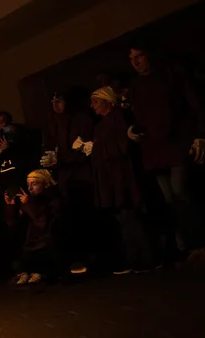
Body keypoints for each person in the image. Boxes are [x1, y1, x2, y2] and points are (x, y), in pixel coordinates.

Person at [127, 43, 205, 258]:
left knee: (180, 191)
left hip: (176, 141)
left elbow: (194, 106)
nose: (136, 62)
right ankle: (188, 244)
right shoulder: (136, 86)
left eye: (139, 56)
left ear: (149, 55)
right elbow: (140, 117)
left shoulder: (171, 76)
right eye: (132, 58)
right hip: (154, 147)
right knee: (170, 197)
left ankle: (198, 242)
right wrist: (133, 131)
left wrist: (199, 135)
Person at [86, 86, 156, 273]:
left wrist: (99, 150)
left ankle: (145, 258)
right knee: (123, 218)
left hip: (121, 174)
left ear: (107, 101)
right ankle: (134, 258)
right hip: (109, 176)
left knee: (130, 215)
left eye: (96, 101)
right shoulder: (100, 125)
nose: (92, 106)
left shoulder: (120, 118)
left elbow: (124, 146)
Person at [42, 90, 96, 275]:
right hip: (65, 178)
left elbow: (84, 147)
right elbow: (49, 145)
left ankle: (93, 260)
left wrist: (64, 160)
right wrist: (50, 158)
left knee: (86, 216)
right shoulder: (52, 122)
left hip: (83, 176)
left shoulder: (81, 119)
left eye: (59, 101)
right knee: (69, 219)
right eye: (53, 101)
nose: (56, 105)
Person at [10, 170, 61, 285]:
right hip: (31, 241)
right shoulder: (31, 200)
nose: (30, 188)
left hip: (47, 240)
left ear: (46, 184)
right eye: (28, 185)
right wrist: (12, 206)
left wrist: (29, 205)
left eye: (34, 184)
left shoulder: (53, 199)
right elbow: (16, 224)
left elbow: (43, 222)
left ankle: (40, 271)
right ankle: (26, 271)